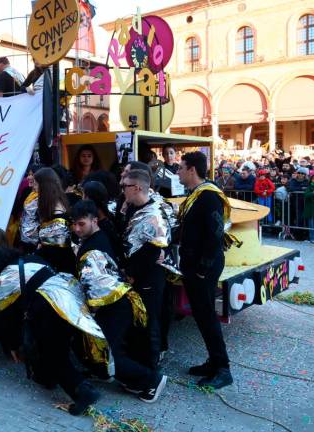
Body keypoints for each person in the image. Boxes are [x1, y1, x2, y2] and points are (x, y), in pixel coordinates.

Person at [0, 247, 103, 416]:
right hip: (68, 304)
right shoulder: (32, 258)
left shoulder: (7, 277)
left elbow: (4, 317)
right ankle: (48, 378)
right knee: (55, 350)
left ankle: (84, 393)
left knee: (55, 355)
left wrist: (12, 345)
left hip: (49, 312)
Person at [71, 200, 167, 403]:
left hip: (114, 304)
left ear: (94, 220)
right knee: (103, 349)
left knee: (107, 353)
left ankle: (152, 381)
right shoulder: (98, 236)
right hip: (116, 302)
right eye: (75, 224)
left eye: (81, 224)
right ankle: (128, 378)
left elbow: (97, 285)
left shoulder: (93, 247)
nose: (77, 229)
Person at [176, 151, 234, 389]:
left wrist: (202, 269)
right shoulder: (195, 195)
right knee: (202, 315)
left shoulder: (208, 196)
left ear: (192, 170)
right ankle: (213, 361)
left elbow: (215, 235)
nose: (177, 172)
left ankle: (223, 369)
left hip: (203, 266)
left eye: (180, 167)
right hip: (195, 264)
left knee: (207, 315)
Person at [121, 169, 174, 371]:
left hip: (148, 277)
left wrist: (132, 274)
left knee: (149, 320)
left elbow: (154, 251)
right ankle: (138, 360)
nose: (122, 190)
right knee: (138, 320)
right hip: (135, 274)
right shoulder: (132, 208)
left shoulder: (154, 215)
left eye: (125, 187)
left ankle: (151, 368)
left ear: (137, 188)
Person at [34, 167, 76, 274]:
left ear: (44, 187)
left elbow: (55, 254)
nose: (33, 187)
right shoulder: (55, 205)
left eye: (36, 184)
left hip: (60, 274)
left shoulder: (57, 217)